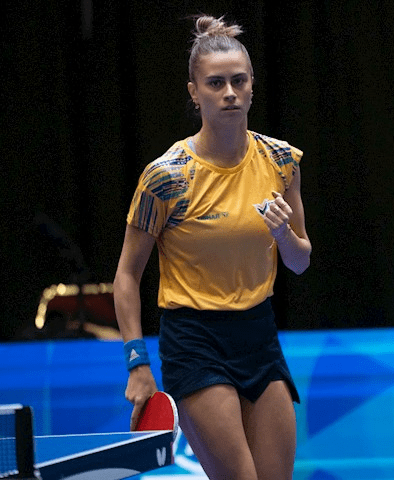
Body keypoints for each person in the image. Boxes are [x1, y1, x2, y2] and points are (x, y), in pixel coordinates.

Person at [113, 14, 311, 480]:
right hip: (195, 341)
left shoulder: (281, 161)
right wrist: (137, 363)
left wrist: (283, 235)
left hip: (259, 335)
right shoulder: (166, 178)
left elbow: (300, 262)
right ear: (194, 91)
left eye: (239, 81)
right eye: (216, 83)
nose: (230, 93)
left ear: (252, 85)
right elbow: (126, 277)